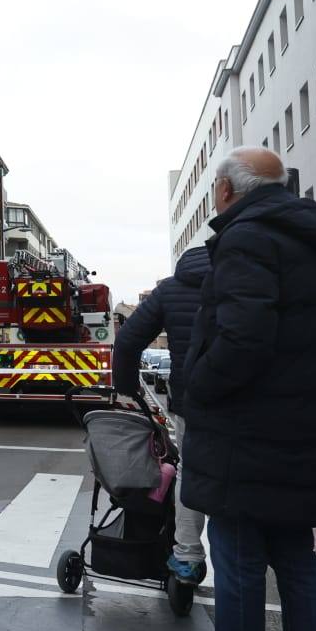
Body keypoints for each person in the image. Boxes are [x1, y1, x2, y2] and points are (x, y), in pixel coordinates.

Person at [161, 147, 316, 631]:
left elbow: (243, 337)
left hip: (247, 432)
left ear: (223, 191)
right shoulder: (310, 242)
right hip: (301, 428)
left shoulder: (247, 237)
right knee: (296, 561)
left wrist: (199, 388)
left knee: (238, 558)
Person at [111, 244, 210, 586]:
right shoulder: (241, 278)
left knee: (191, 471)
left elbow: (126, 342)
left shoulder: (171, 289)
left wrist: (127, 388)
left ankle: (187, 554)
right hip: (246, 401)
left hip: (191, 399)